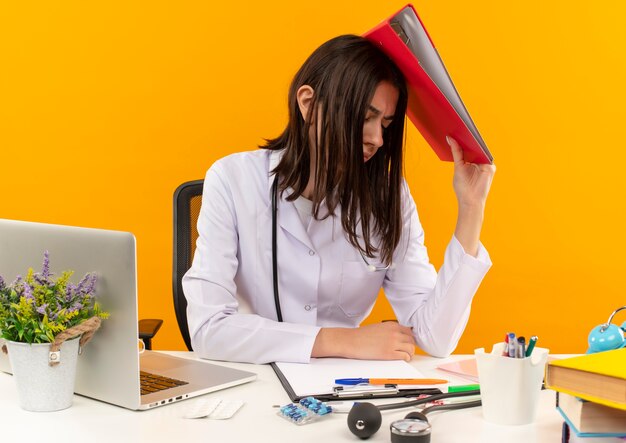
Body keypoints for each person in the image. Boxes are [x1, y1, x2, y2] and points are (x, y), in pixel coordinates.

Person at [182, 35, 495, 364]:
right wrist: (343, 340)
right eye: (364, 118)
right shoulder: (233, 180)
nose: (376, 139)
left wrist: (471, 209)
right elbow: (208, 330)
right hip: (257, 384)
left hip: (346, 390)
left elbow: (434, 337)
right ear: (308, 104)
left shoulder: (390, 196)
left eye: (385, 125)